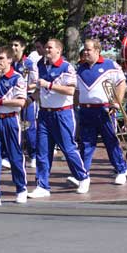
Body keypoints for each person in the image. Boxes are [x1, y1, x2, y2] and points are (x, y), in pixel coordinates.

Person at [28, 39, 90, 198]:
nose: (46, 50)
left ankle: (83, 177)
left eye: (50, 47)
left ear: (58, 50)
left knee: (68, 148)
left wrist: (49, 85)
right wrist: (28, 100)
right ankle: (42, 185)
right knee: (43, 151)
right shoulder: (40, 65)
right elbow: (39, 90)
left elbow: (70, 90)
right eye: (46, 47)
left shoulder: (66, 67)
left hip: (62, 113)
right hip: (44, 113)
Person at [76, 39, 127, 185]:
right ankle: (83, 175)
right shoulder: (80, 68)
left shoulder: (109, 65)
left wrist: (117, 103)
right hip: (86, 111)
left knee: (110, 141)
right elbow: (77, 91)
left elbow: (121, 83)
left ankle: (121, 170)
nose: (85, 52)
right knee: (86, 144)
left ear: (97, 50)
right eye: (84, 49)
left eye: (88, 50)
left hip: (104, 110)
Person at [0, 46, 28, 206]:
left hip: (10, 119)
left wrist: (0, 102)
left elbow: (21, 102)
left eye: (2, 58)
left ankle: (21, 188)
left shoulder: (17, 78)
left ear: (9, 59)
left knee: (14, 155)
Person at [11, 36, 38, 168]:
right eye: (12, 45)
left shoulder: (28, 63)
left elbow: (35, 82)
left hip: (27, 99)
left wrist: (23, 88)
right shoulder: (11, 63)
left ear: (22, 47)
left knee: (28, 128)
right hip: (13, 100)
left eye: (16, 45)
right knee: (15, 128)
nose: (13, 48)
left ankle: (33, 155)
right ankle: (15, 155)